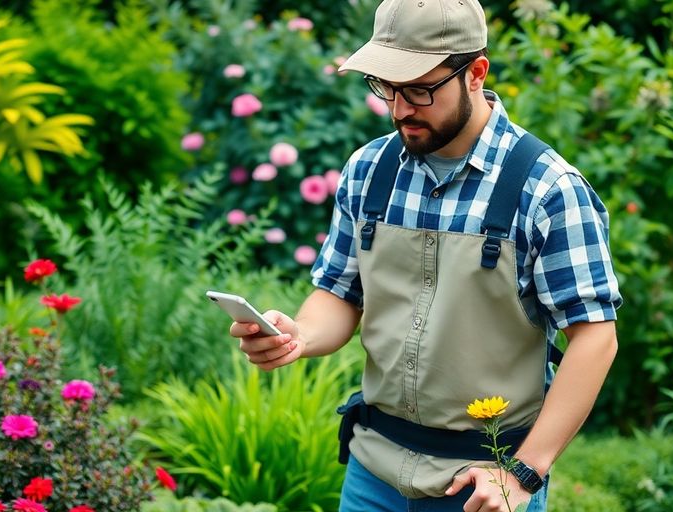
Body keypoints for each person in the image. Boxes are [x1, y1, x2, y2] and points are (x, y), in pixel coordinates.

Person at [229, 0, 622, 510]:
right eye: (385, 87)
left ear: (476, 72)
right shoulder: (369, 170)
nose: (398, 109)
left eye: (418, 89)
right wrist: (298, 337)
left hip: (482, 485)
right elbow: (340, 294)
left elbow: (596, 338)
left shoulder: (547, 189)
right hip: (373, 474)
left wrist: (524, 473)